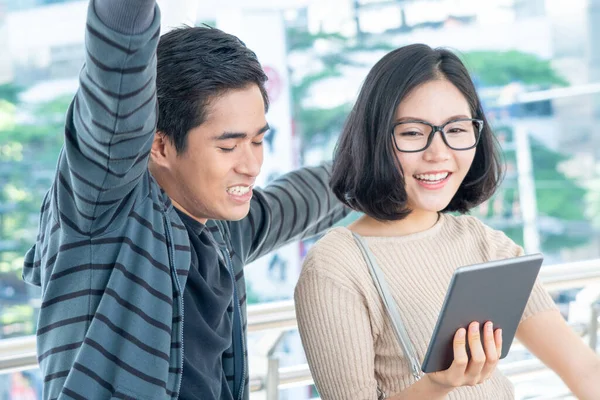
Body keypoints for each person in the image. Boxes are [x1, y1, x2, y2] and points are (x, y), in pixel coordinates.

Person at [21, 0, 350, 399]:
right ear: (158, 145)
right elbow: (118, 68)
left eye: (259, 140)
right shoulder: (106, 211)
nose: (251, 165)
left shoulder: (224, 230)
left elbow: (312, 196)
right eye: (229, 147)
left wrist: (395, 165)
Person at [294, 44, 600, 400]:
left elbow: (584, 369)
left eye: (456, 130)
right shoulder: (336, 264)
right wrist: (438, 384)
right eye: (412, 133)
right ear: (375, 140)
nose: (438, 153)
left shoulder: (483, 242)